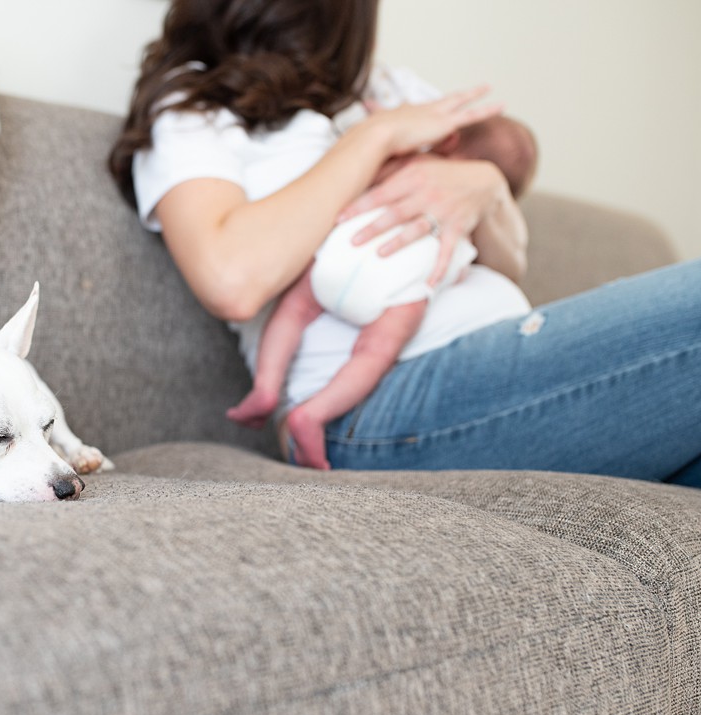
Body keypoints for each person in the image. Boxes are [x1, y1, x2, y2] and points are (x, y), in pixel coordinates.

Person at [108, 0, 701, 489]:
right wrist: (374, 138)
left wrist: (481, 187)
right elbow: (232, 280)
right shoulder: (193, 105)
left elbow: (508, 259)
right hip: (382, 398)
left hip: (497, 343)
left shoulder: (388, 85)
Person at [226, 113, 537, 470]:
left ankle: (265, 386)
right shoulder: (461, 215)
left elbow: (363, 179)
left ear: (450, 140)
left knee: (293, 310)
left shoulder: (404, 162)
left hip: (345, 251)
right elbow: (459, 265)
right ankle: (313, 413)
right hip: (401, 288)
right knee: (373, 353)